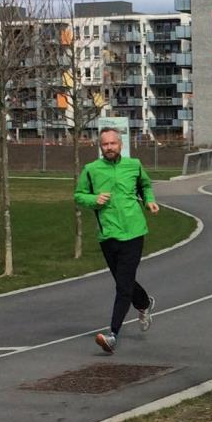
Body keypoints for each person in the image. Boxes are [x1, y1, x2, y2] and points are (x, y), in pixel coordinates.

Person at [74, 127, 159, 353]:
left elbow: (145, 186)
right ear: (100, 147)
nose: (109, 148)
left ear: (120, 144)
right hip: (108, 233)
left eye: (113, 143)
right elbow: (79, 195)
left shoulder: (134, 165)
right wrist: (94, 199)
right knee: (125, 281)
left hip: (134, 230)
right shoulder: (91, 170)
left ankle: (112, 335)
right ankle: (144, 303)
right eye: (105, 144)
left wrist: (149, 200)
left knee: (123, 285)